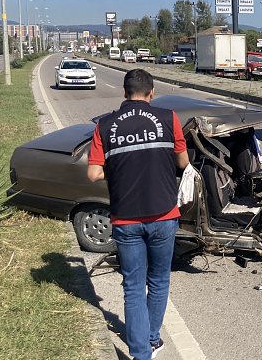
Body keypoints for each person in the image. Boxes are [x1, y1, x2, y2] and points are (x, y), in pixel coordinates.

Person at [87, 69, 189, 360]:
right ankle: (152, 338)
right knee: (158, 281)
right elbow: (182, 161)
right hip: (163, 214)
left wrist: (120, 164)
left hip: (125, 218)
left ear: (124, 92)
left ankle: (140, 353)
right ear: (151, 92)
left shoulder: (104, 125)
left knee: (133, 285)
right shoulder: (169, 118)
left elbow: (93, 173)